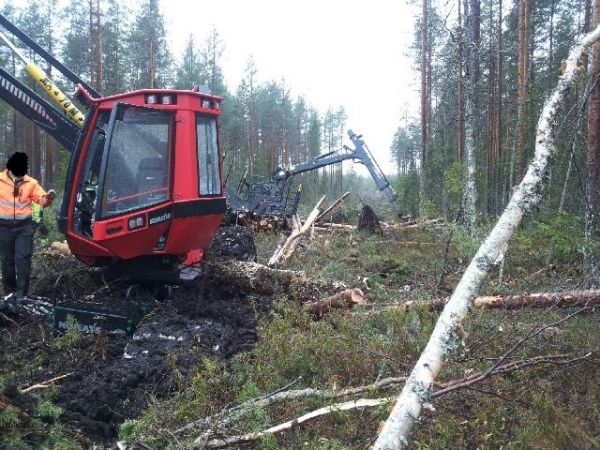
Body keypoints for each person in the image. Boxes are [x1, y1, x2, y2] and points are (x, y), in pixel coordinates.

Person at [0, 152, 55, 302]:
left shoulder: (31, 183)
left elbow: (41, 200)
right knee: (7, 260)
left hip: (24, 227)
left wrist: (48, 197)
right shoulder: (0, 181)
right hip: (4, 227)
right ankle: (10, 293)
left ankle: (22, 294)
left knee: (22, 258)